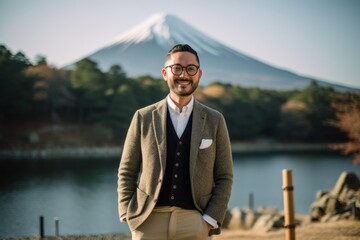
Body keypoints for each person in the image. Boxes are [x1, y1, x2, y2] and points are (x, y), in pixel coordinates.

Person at [117, 44, 233, 240]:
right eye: (177, 68)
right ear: (165, 73)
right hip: (148, 222)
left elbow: (224, 176)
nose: (184, 75)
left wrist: (209, 220)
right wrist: (127, 213)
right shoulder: (143, 117)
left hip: (195, 223)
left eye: (190, 69)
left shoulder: (215, 120)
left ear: (199, 74)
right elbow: (127, 170)